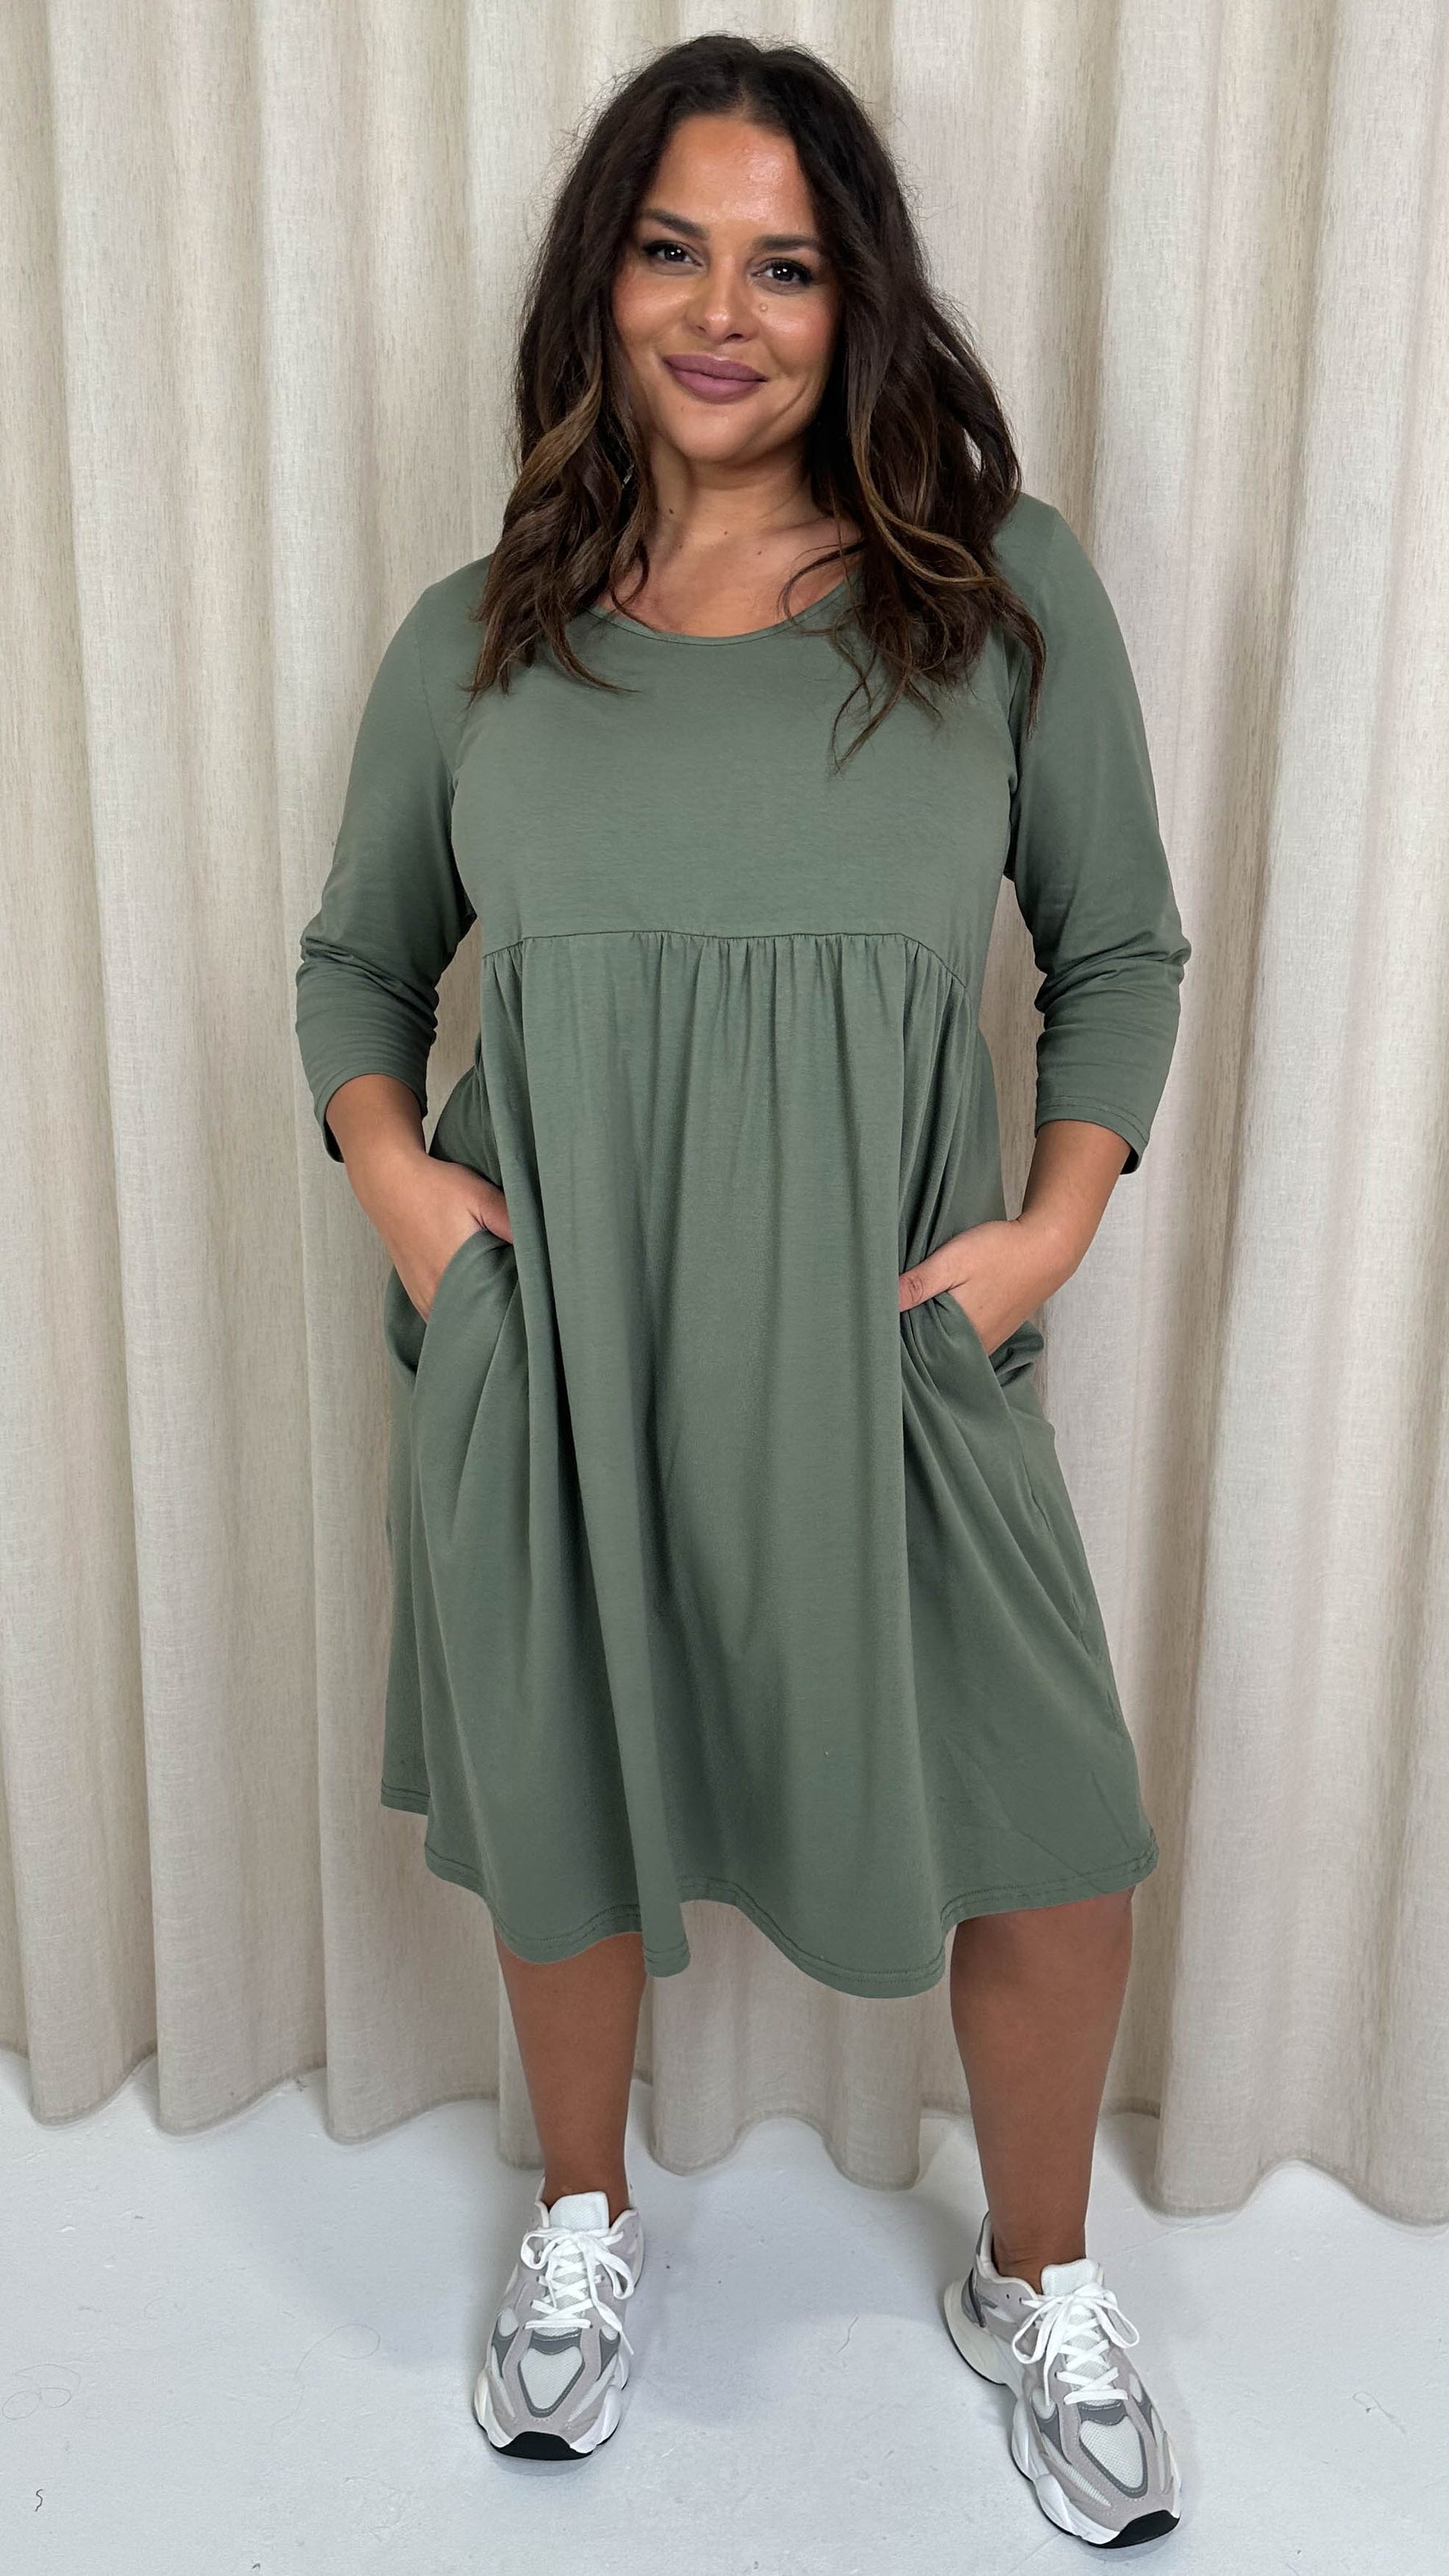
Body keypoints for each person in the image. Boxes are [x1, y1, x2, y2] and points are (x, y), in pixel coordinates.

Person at [295, 33, 1190, 2550]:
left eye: (784, 265)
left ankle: (1038, 2276)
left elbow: (1118, 944)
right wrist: (403, 1188)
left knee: (1057, 1829)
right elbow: (358, 962)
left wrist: (1048, 1227)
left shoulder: (992, 598)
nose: (722, 311)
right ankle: (582, 2224)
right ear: (600, 285)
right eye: (672, 251)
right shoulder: (478, 641)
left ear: (856, 298)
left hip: (888, 1346)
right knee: (564, 1798)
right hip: (561, 1342)